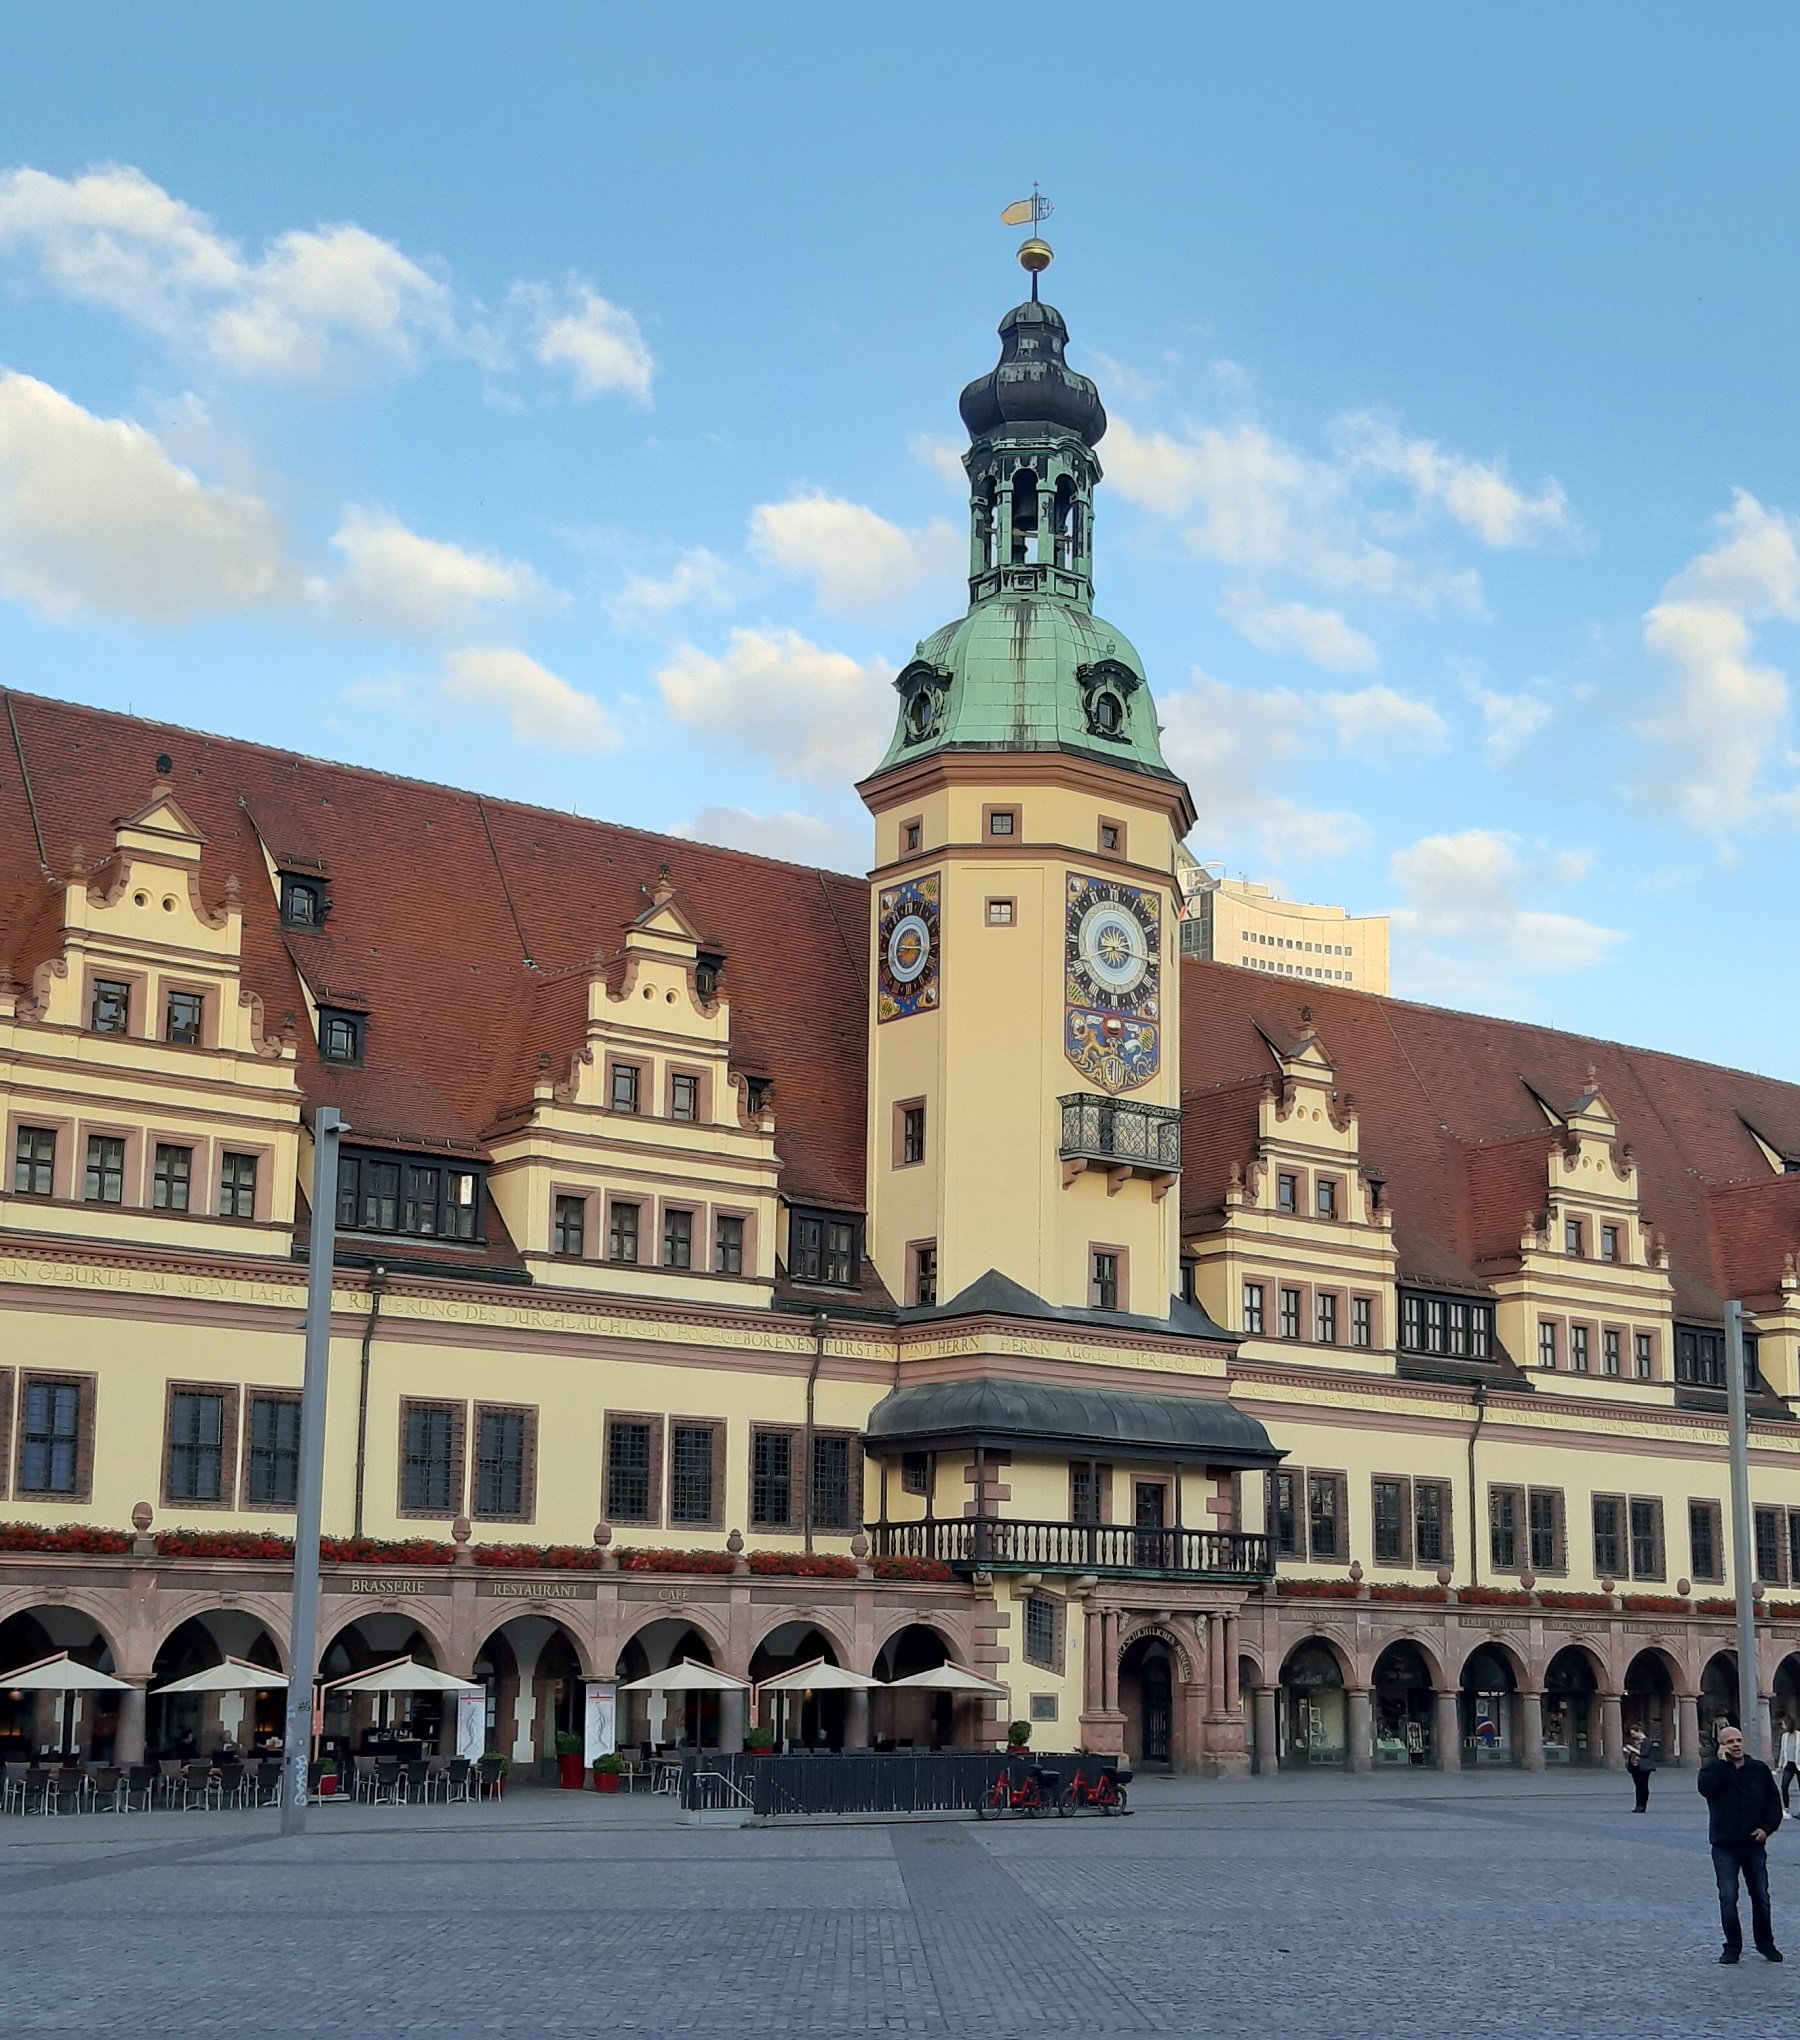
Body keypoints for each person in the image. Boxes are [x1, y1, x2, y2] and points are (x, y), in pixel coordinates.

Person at [1699, 1724, 1784, 1963]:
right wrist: (1721, 1765)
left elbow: (1773, 1801)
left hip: (1753, 1843)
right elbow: (1706, 1790)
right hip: (1724, 1845)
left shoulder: (1758, 1769)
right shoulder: (1711, 1770)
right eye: (1730, 1742)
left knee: (1761, 1896)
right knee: (1728, 1895)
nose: (1735, 1745)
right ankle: (1732, 1946)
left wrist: (1767, 1829)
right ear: (1721, 1746)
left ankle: (1766, 1944)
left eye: (1738, 1740)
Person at [1625, 1725, 1656, 1812]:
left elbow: (1644, 1753)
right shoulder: (1636, 1742)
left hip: (1644, 1767)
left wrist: (1632, 1749)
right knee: (1638, 1786)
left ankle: (1642, 1806)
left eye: (1634, 1734)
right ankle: (1638, 1805)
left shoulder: (1647, 1742)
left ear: (1639, 1731)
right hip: (1635, 1767)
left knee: (1643, 1786)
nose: (1633, 1736)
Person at [1777, 1718, 1800, 1811]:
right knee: (1784, 1786)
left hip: (1798, 1764)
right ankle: (1786, 1808)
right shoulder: (1784, 1736)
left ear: (1788, 1724)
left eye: (1783, 1724)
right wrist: (1780, 1764)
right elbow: (1782, 1751)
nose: (1782, 1726)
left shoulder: (1799, 1735)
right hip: (1789, 1764)